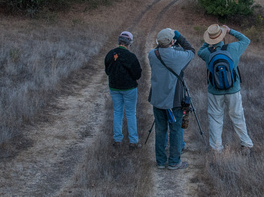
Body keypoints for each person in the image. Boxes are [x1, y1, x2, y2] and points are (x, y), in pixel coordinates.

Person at [197, 24, 253, 154]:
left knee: (215, 118)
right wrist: (230, 31)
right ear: (222, 36)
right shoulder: (233, 48)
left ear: (210, 39)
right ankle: (246, 144)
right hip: (233, 89)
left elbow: (199, 52)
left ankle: (216, 149)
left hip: (214, 91)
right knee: (238, 116)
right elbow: (246, 40)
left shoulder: (206, 53)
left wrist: (208, 41)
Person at [148, 28, 195, 170]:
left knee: (160, 130)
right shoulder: (178, 56)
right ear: (171, 41)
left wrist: (164, 40)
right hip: (174, 100)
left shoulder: (152, 54)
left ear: (158, 42)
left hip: (157, 99)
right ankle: (174, 161)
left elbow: (159, 48)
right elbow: (191, 50)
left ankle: (161, 161)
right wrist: (179, 36)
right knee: (175, 130)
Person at [104, 31, 142, 149]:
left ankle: (117, 140)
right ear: (129, 42)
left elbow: (107, 71)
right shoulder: (131, 57)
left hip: (114, 87)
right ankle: (133, 141)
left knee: (118, 112)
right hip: (129, 88)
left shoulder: (111, 54)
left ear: (119, 41)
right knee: (131, 113)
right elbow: (137, 75)